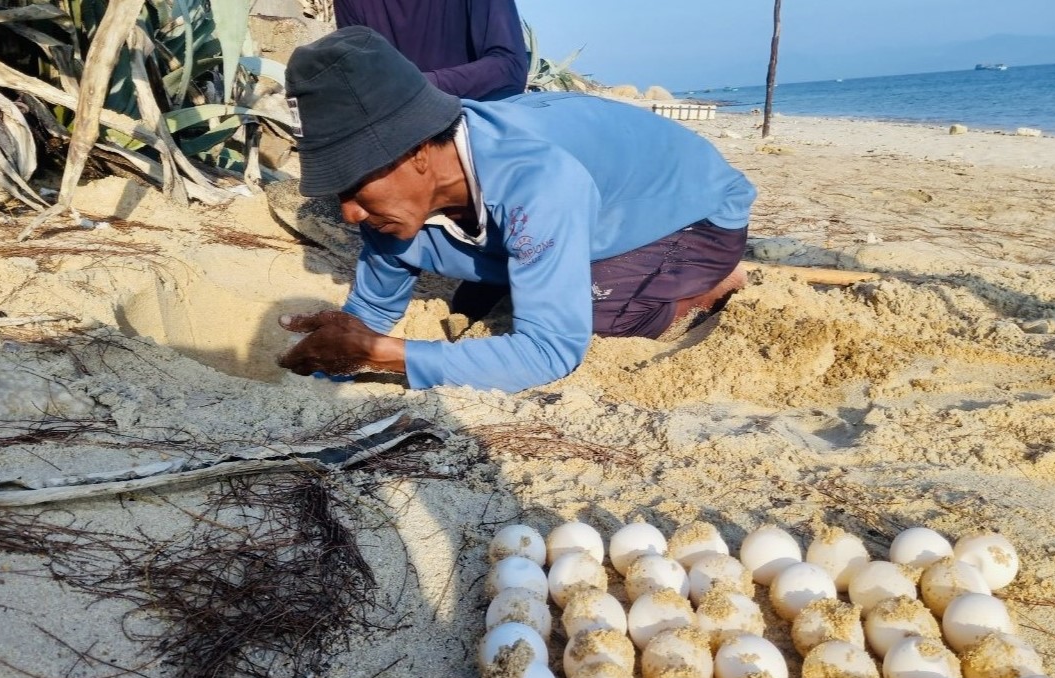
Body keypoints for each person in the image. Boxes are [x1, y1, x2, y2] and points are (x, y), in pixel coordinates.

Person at [276, 27, 756, 393]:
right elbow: (374, 306)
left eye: (355, 185)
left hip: (696, 217)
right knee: (517, 270)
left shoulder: (535, 181)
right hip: (578, 204)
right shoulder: (394, 196)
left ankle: (708, 282)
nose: (350, 214)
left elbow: (551, 353)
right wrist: (337, 348)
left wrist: (382, 354)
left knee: (597, 316)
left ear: (417, 152)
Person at [332, 0, 528, 101]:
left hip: (474, 136)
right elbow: (360, 82)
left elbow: (510, 68)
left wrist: (415, 85)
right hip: (395, 140)